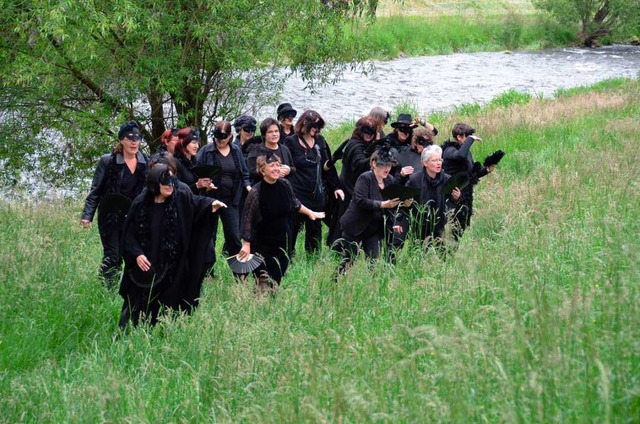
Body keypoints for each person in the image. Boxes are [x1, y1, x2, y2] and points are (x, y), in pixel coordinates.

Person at [118, 164, 226, 327]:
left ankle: (164, 329)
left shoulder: (179, 200)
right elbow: (128, 234)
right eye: (165, 181)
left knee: (170, 299)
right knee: (137, 301)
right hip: (146, 265)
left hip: (171, 265)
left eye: (172, 181)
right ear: (155, 183)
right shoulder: (141, 203)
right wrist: (137, 254)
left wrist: (211, 204)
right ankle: (128, 332)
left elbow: (196, 204)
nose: (170, 185)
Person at [239, 154, 324, 293]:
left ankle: (273, 305)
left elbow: (294, 203)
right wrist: (246, 244)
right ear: (262, 170)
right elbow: (248, 219)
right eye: (272, 166)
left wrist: (310, 213)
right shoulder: (256, 191)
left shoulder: (285, 184)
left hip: (282, 239)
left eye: (278, 165)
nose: (276, 168)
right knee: (263, 277)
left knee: (278, 274)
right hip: (263, 243)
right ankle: (259, 304)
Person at [81, 121, 148, 286]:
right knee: (113, 255)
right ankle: (106, 289)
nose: (134, 142)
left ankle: (129, 291)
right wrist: (87, 216)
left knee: (134, 254)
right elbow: (96, 190)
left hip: (134, 217)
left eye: (137, 138)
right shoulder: (108, 161)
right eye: (129, 138)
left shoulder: (145, 161)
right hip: (111, 215)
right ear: (121, 140)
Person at [336, 149, 409, 274]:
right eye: (384, 165)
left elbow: (390, 206)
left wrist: (397, 216)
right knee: (349, 259)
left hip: (373, 229)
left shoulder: (389, 180)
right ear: (374, 164)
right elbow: (361, 200)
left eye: (389, 165)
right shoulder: (365, 178)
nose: (387, 168)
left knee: (373, 261)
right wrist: (382, 204)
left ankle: (373, 287)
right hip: (355, 226)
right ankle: (335, 281)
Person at [284, 110, 344, 254]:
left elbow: (326, 168)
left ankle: (313, 260)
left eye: (318, 127)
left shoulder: (320, 141)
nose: (316, 129)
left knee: (314, 233)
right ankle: (287, 259)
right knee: (292, 230)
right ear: (304, 123)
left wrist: (336, 186)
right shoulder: (290, 141)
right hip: (297, 192)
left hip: (316, 193)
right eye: (314, 126)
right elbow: (286, 165)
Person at [196, 120, 250, 259]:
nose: (220, 141)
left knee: (233, 235)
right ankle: (207, 270)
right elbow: (196, 172)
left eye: (223, 138)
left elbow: (244, 173)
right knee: (209, 237)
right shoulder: (205, 151)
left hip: (231, 199)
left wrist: (248, 187)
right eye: (217, 137)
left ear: (230, 136)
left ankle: (239, 273)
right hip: (210, 198)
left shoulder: (236, 150)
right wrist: (204, 184)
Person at [327, 116, 378, 244]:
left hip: (350, 186)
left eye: (371, 132)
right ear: (360, 130)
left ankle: (340, 243)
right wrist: (374, 156)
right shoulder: (356, 145)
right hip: (349, 188)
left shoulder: (356, 143)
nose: (368, 135)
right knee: (346, 218)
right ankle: (339, 245)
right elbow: (360, 164)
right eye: (366, 132)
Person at [442, 123, 495, 240]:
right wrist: (471, 140)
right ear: (459, 137)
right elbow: (459, 156)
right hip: (452, 195)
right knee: (449, 227)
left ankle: (452, 253)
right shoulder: (449, 150)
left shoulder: (467, 153)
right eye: (468, 136)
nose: (470, 139)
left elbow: (471, 173)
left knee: (460, 229)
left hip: (465, 195)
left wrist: (486, 170)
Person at [406, 145, 461, 246]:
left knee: (442, 257)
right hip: (419, 227)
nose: (438, 163)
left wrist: (456, 198)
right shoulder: (415, 179)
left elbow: (452, 204)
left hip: (440, 226)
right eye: (434, 160)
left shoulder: (447, 179)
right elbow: (405, 201)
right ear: (425, 163)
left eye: (440, 160)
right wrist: (407, 202)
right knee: (418, 257)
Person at [246, 117, 295, 185]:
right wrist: (272, 172)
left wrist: (289, 170)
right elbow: (251, 172)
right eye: (270, 132)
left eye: (276, 131)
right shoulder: (256, 150)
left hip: (282, 189)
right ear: (264, 135)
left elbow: (293, 167)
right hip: (263, 189)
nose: (274, 134)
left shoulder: (285, 149)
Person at [173, 127, 213, 194]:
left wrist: (205, 186)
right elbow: (176, 192)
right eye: (194, 143)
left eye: (198, 143)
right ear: (183, 142)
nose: (197, 146)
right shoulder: (175, 163)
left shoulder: (195, 162)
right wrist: (197, 186)